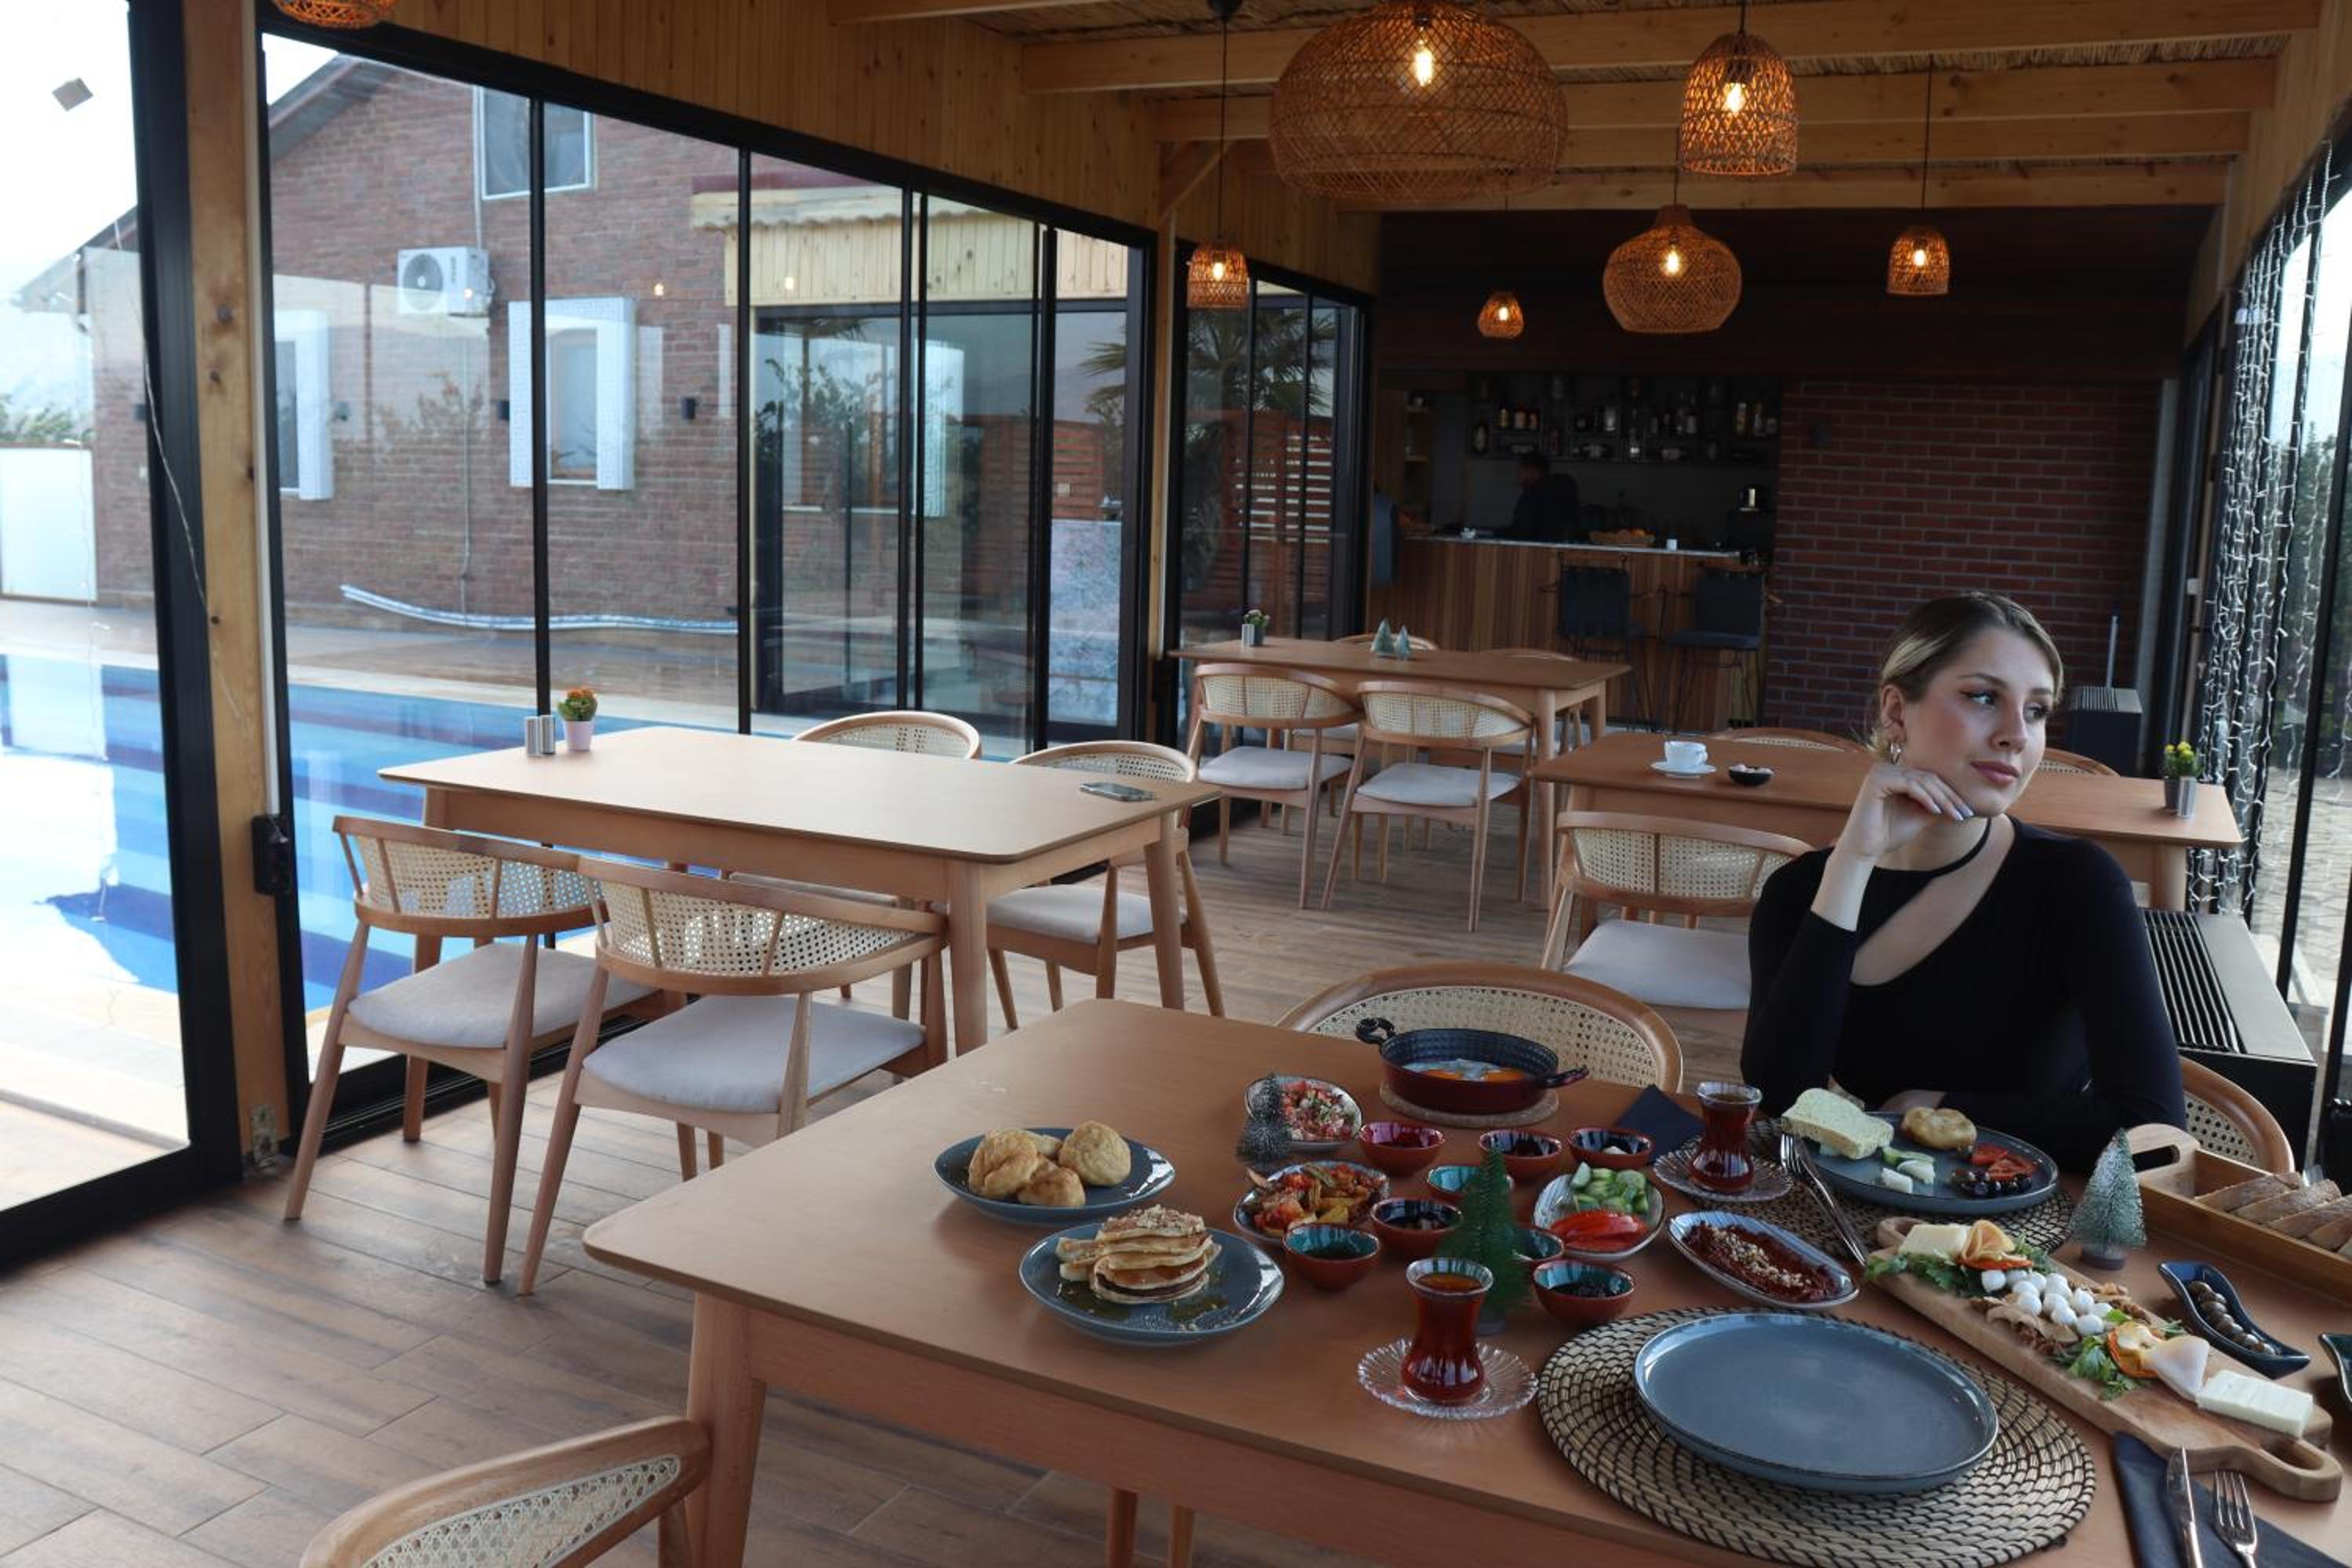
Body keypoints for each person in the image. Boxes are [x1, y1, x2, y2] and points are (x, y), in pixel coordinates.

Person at [1740, 593, 2185, 1171]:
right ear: (1896, 711)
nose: (2016, 734)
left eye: (2036, 711)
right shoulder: (1801, 892)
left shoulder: (2076, 885)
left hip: (2033, 1213)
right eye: (1983, 697)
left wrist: (1945, 1110)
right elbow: (1780, 1098)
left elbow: (2155, 1131)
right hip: (1869, 1198)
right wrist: (1853, 860)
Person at [1500, 454, 1581, 543]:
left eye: (1520, 471)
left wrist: (1498, 533)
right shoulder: (1565, 490)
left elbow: (1522, 531)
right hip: (1565, 547)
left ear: (1531, 470)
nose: (1518, 476)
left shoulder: (1532, 494)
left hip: (1537, 548)